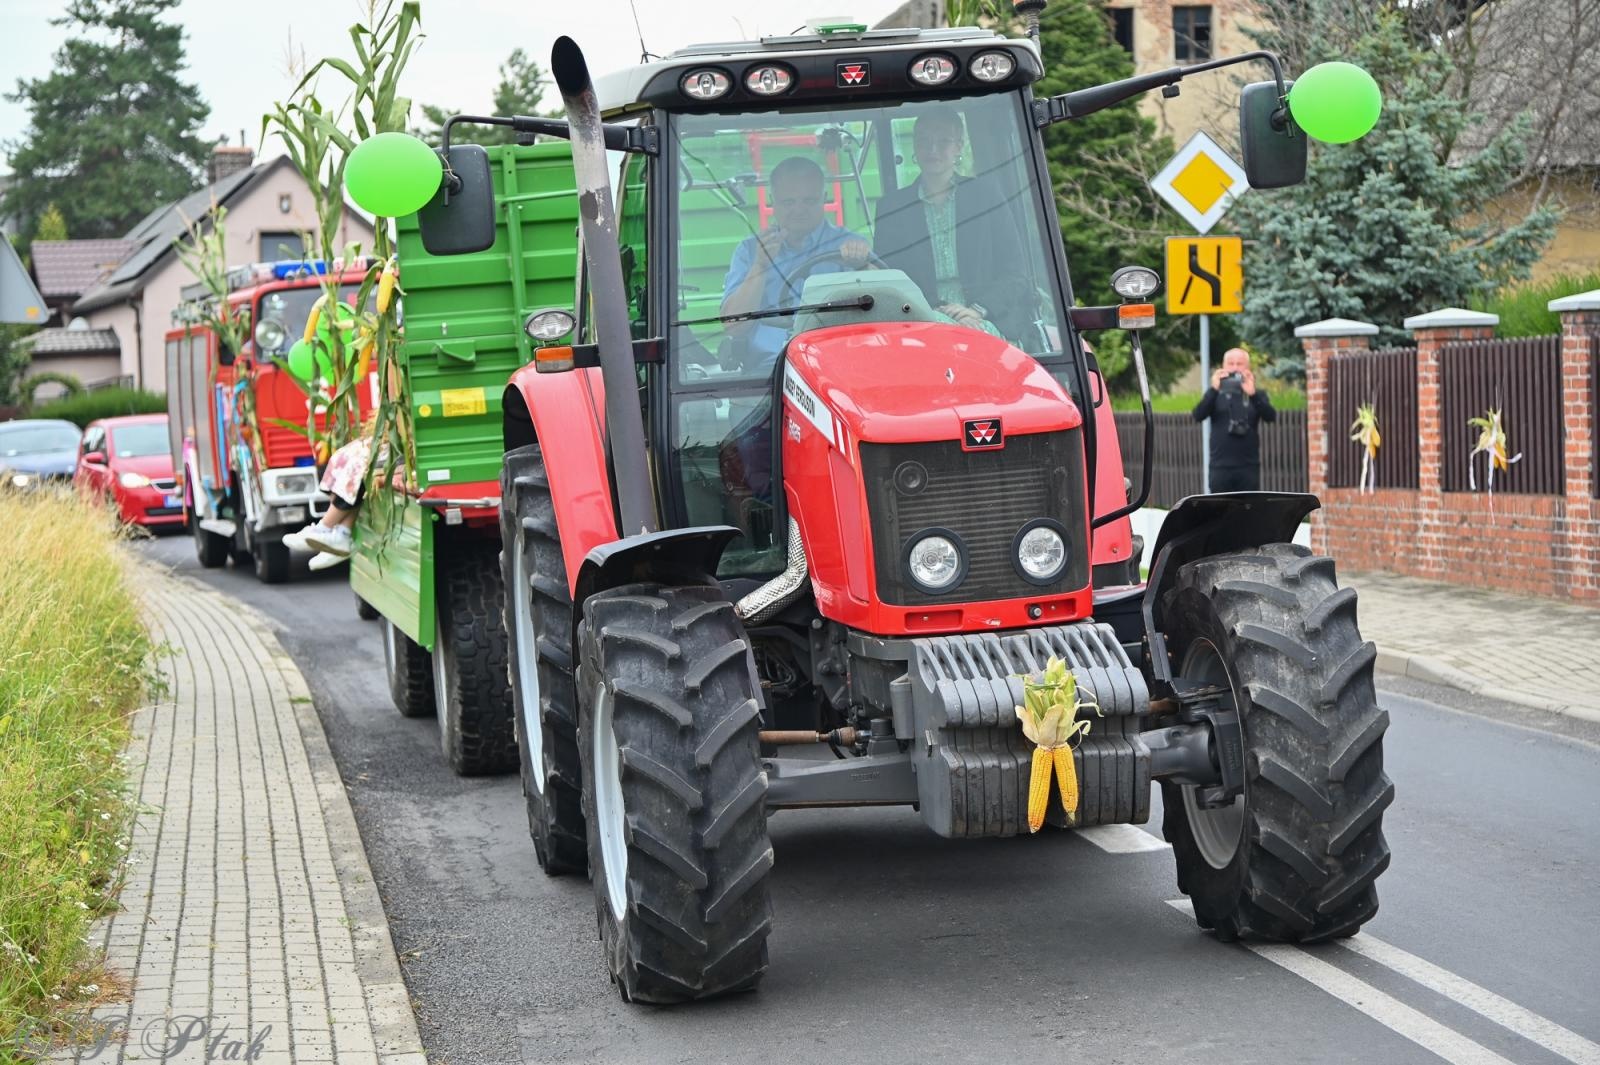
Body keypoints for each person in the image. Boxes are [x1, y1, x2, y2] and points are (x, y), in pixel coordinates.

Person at [872, 110, 1028, 340]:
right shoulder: (892, 207)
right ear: (914, 145)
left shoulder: (987, 195)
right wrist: (930, 311)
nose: (932, 149)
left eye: (943, 141)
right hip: (918, 323)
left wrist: (976, 310)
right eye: (924, 140)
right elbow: (888, 276)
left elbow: (1015, 273)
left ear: (959, 146)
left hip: (986, 319)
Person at [721, 155, 871, 366]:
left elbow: (890, 308)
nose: (799, 210)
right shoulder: (750, 251)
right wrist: (760, 266)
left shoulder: (851, 246)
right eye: (789, 202)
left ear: (824, 198)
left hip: (837, 366)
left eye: (808, 201)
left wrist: (863, 267)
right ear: (773, 202)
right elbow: (734, 326)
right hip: (769, 372)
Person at [1191, 347, 1277, 492]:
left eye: (1240, 364)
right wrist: (1214, 389)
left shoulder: (1256, 393)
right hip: (1220, 467)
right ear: (1223, 366)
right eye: (1231, 363)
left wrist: (1253, 394)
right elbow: (1198, 415)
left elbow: (1271, 417)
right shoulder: (1215, 393)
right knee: (1220, 512)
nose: (1235, 368)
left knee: (1248, 512)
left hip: (1248, 467)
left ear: (1247, 367)